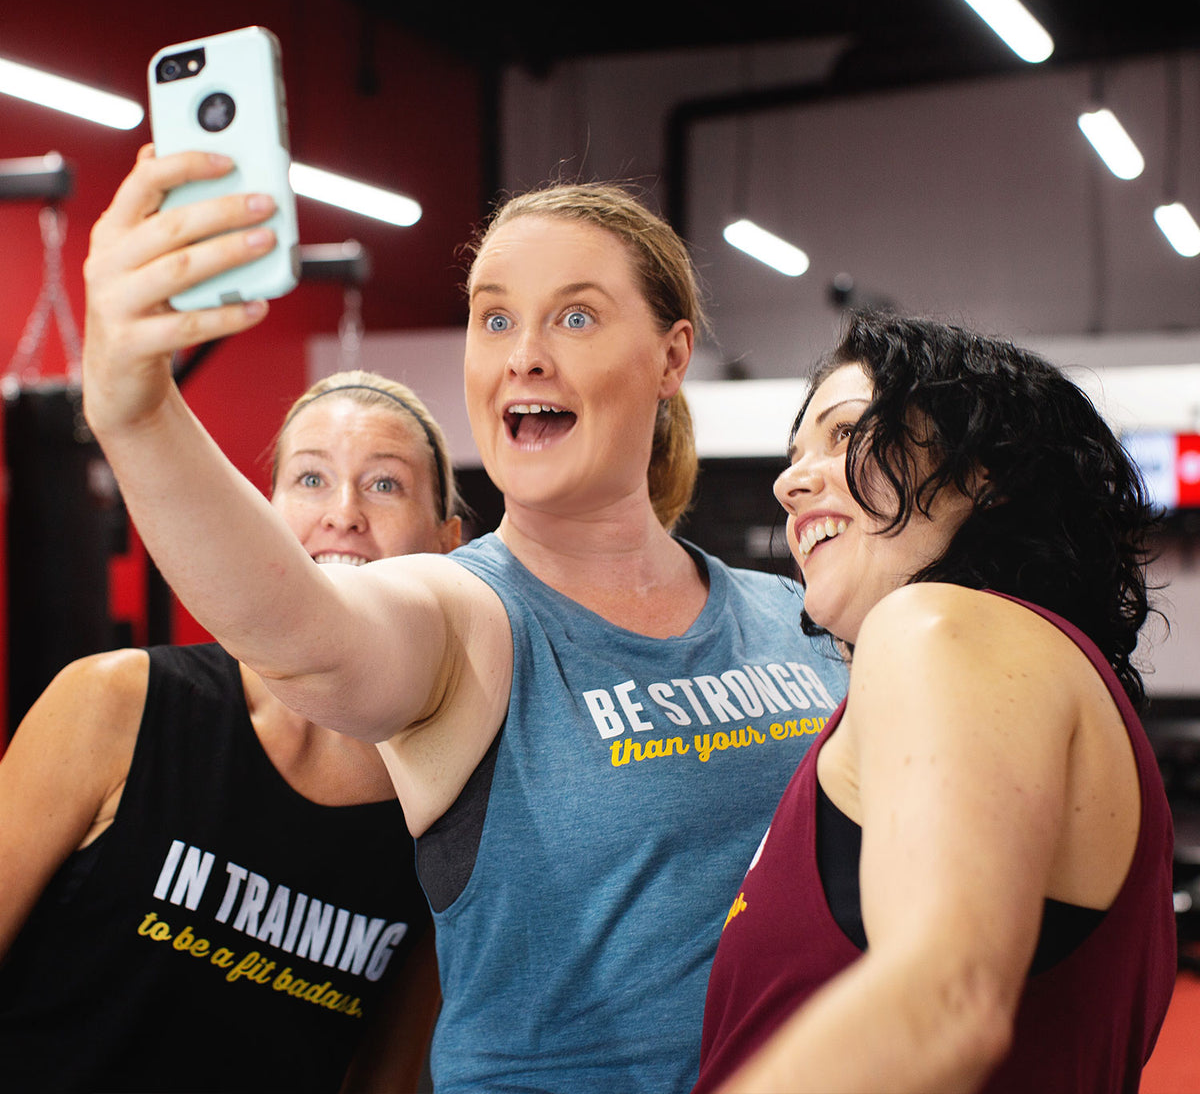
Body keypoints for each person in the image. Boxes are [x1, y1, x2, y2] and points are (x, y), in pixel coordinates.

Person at [79, 146, 849, 1093]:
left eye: (575, 315)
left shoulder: (795, 615)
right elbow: (305, 633)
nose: (525, 351)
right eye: (495, 317)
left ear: (671, 357)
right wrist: (137, 412)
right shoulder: (468, 614)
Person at [692, 311, 1177, 1094]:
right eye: (793, 457)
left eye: (846, 434)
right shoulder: (1002, 664)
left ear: (987, 474)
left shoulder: (940, 625)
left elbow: (944, 1005)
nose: (789, 481)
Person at [0, 369, 463, 1093]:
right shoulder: (114, 703)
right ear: (267, 515)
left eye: (384, 485)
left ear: (446, 542)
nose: (343, 513)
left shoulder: (444, 814)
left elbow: (384, 1081)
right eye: (310, 479)